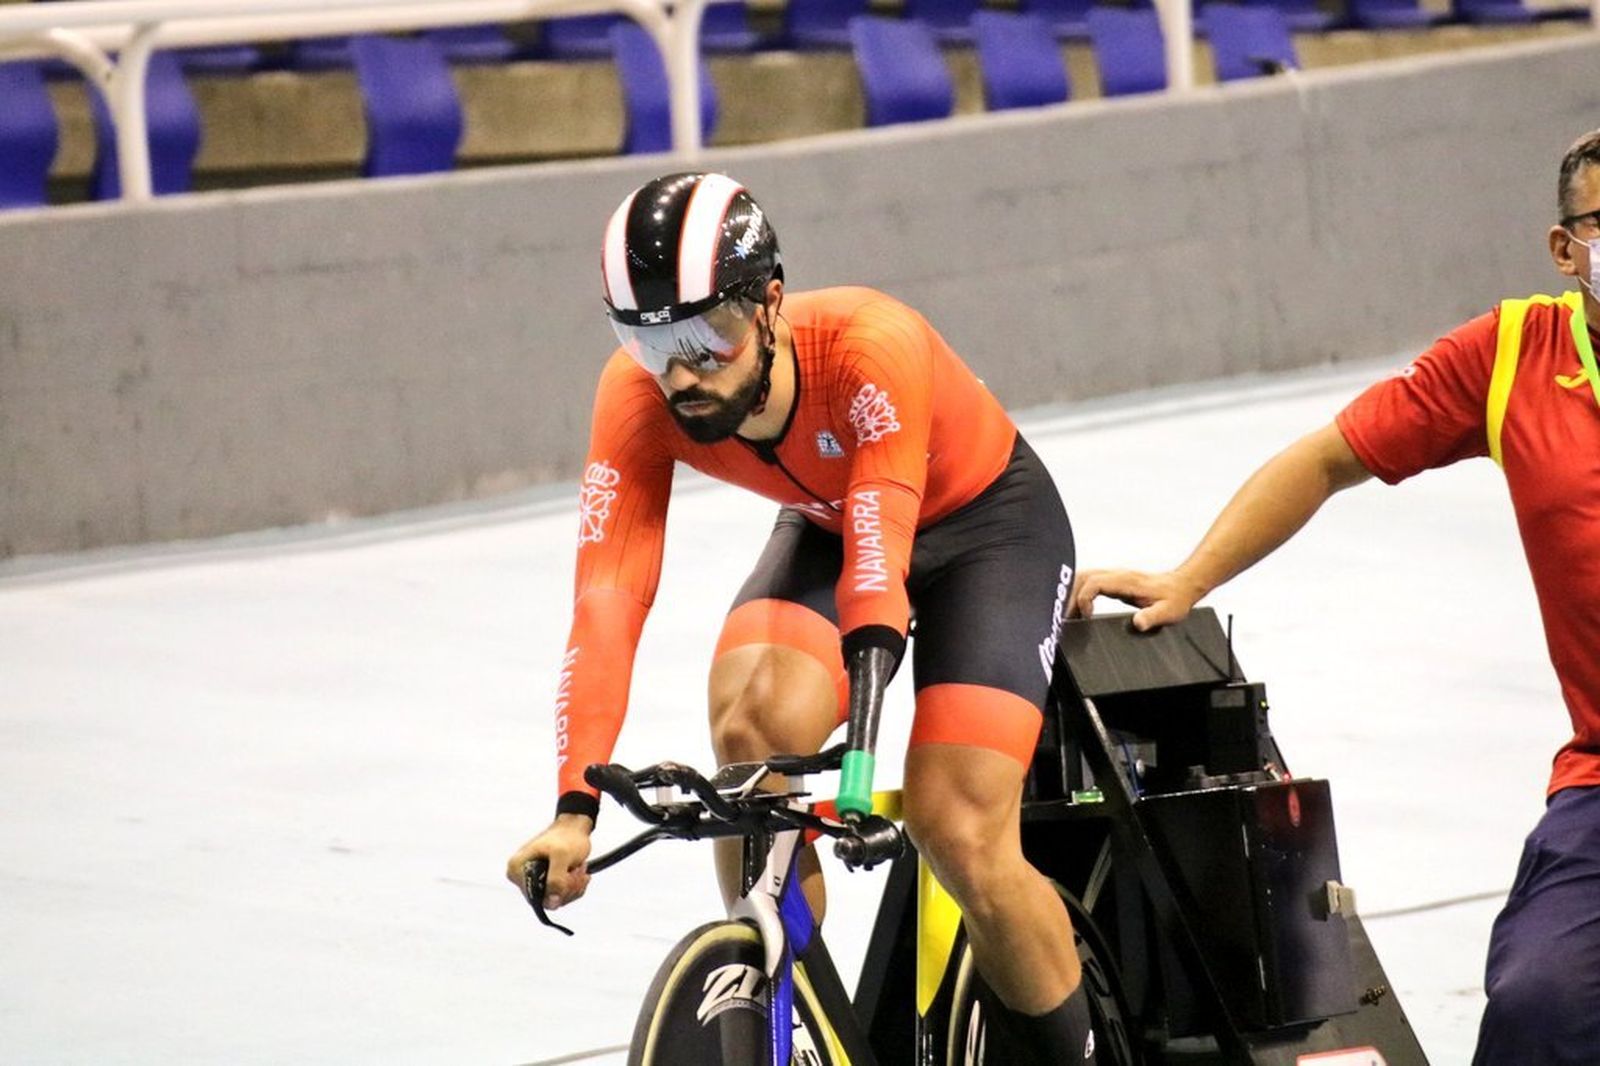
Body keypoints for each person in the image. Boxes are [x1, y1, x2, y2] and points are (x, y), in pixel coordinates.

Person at [505, 172, 1095, 1062]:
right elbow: (607, 597)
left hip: (984, 531)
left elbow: (878, 563)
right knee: (751, 738)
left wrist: (861, 763)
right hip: (830, 517)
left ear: (770, 302)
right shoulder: (637, 399)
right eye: (644, 340)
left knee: (956, 825)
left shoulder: (868, 343)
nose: (679, 372)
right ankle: (801, 1016)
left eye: (707, 335)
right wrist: (572, 808)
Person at [1074, 131, 1600, 1065]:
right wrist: (1191, 577)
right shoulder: (1515, 352)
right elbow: (1327, 459)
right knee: (1537, 1011)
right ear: (1566, 250)